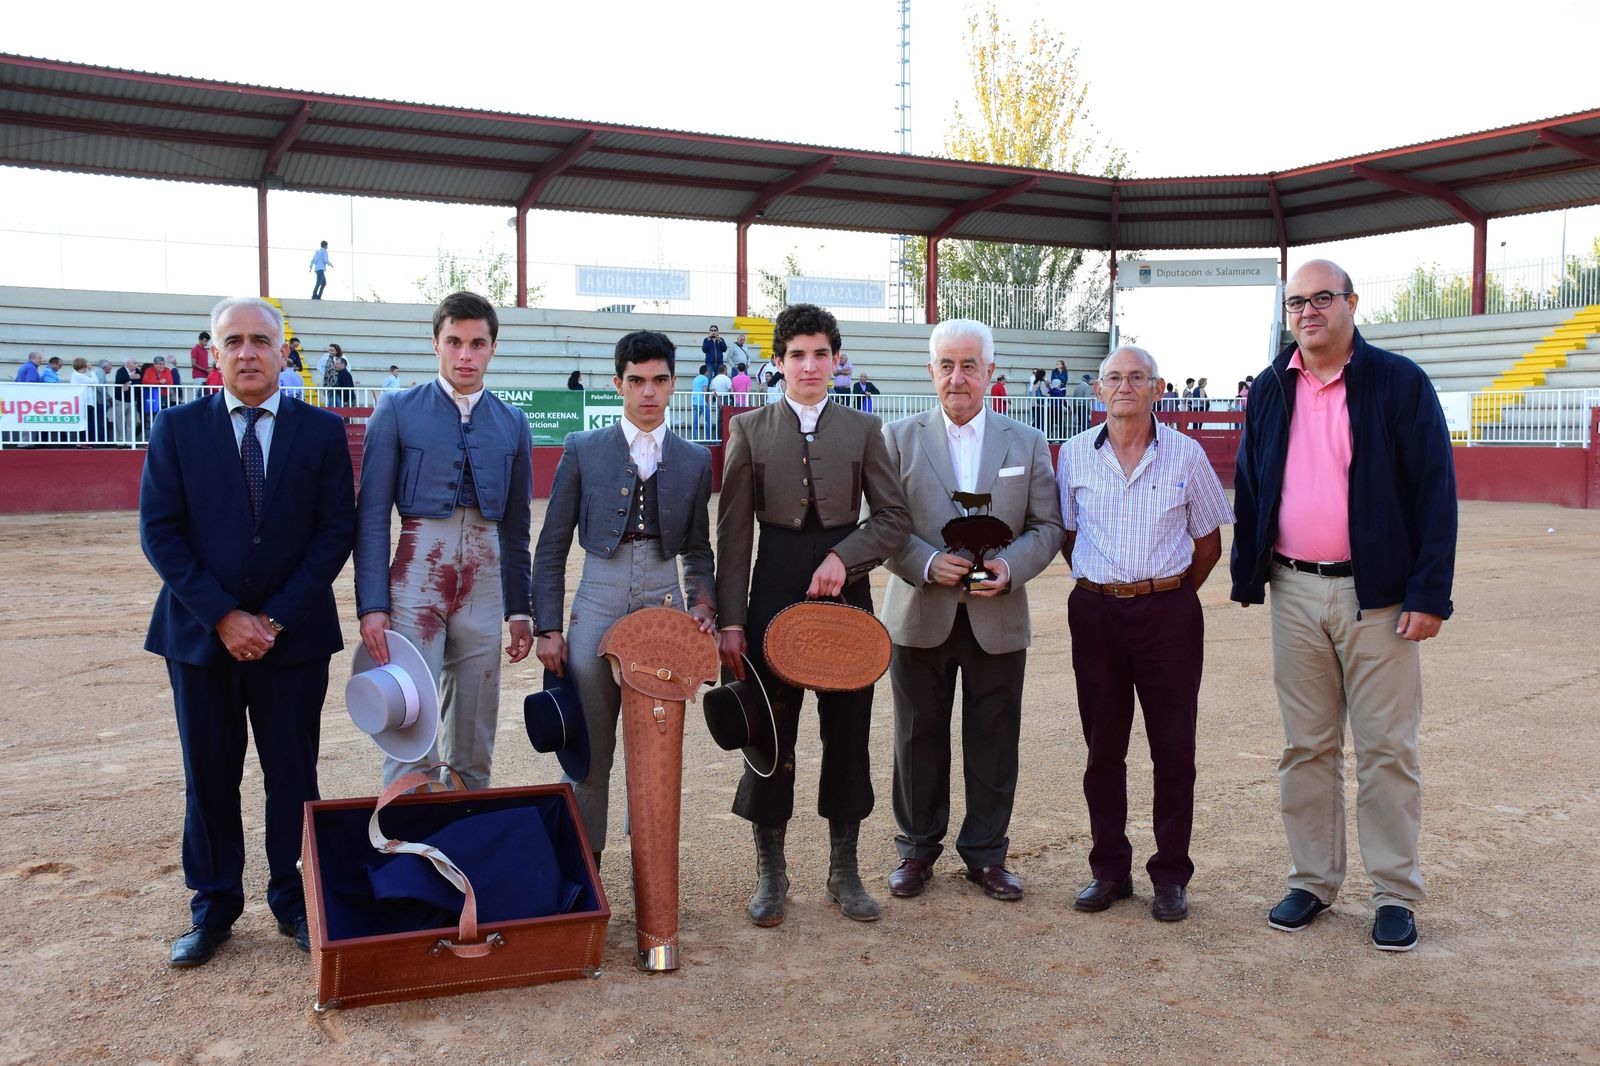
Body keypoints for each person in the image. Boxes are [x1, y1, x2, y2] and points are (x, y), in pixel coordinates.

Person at [1231, 259, 1457, 952]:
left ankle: (1393, 892)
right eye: (1297, 301)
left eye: (1322, 298)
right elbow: (1251, 481)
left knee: (1386, 749)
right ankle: (1312, 880)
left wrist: (1428, 593)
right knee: (1306, 746)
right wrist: (1249, 572)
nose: (1308, 311)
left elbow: (1435, 490)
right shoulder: (1270, 386)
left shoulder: (1398, 381)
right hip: (1294, 588)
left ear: (1352, 304)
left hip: (1378, 595)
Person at [139, 296, 356, 967]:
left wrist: (273, 619)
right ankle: (213, 908)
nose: (248, 352)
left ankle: (296, 902)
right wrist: (225, 616)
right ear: (214, 352)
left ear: (283, 351)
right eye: (233, 341)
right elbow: (160, 534)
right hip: (200, 639)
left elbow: (334, 534)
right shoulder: (177, 429)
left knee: (293, 775)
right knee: (208, 776)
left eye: (261, 340)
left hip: (294, 640)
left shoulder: (321, 432)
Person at [716, 302, 911, 928]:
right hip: (772, 588)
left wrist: (843, 558)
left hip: (844, 594)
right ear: (778, 362)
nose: (809, 365)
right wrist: (731, 620)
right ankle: (771, 872)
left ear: (836, 360)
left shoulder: (864, 428)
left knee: (848, 730)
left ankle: (843, 870)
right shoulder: (749, 428)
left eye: (820, 354)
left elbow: (893, 518)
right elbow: (734, 533)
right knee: (769, 731)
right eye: (797, 355)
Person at [880, 320, 1064, 903]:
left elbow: (1048, 526)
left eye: (969, 366)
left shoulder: (1027, 442)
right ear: (930, 371)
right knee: (916, 737)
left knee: (995, 737)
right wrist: (925, 562)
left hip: (998, 616)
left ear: (990, 372)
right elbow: (881, 524)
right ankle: (916, 849)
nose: (957, 378)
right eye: (946, 365)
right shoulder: (896, 438)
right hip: (919, 612)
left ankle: (987, 855)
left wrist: (1010, 567)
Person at [1056, 345, 1233, 923]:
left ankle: (1170, 874)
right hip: (1096, 612)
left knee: (1174, 748)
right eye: (1114, 377)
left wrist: (1169, 593)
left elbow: (1209, 543)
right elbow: (1068, 535)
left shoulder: (1186, 453)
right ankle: (1109, 869)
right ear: (1098, 390)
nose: (1125, 386)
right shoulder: (1075, 455)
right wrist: (1107, 587)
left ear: (1158, 388)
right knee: (1103, 747)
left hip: (1168, 613)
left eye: (1137, 377)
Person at [534, 330, 715, 860]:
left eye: (659, 380)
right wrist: (548, 626)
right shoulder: (583, 448)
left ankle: (650, 875)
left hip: (664, 601)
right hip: (598, 597)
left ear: (673, 384)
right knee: (588, 748)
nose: (648, 392)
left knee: (655, 749)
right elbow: (551, 545)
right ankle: (584, 870)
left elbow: (698, 547)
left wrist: (703, 603)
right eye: (636, 381)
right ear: (618, 384)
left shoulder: (694, 458)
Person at [354, 291, 534, 791]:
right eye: (454, 342)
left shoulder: (513, 422)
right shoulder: (397, 409)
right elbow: (372, 517)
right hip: (415, 578)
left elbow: (516, 526)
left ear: (493, 348)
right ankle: (410, 833)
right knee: (409, 721)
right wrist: (373, 605)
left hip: (485, 583)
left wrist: (520, 608)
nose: (465, 355)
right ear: (436, 344)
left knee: (476, 729)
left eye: (477, 344)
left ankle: (467, 825)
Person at [70, 358, 99, 445]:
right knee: (86, 423)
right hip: (85, 403)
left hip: (86, 402)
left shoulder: (78, 375)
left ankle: (84, 441)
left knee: (87, 423)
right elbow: (95, 382)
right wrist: (91, 371)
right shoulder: (78, 376)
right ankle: (82, 442)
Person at [691, 363, 711, 439]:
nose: (708, 372)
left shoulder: (695, 379)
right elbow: (704, 391)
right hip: (702, 402)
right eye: (708, 371)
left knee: (695, 422)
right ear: (705, 371)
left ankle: (695, 438)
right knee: (708, 420)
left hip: (695, 402)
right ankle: (708, 438)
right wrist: (707, 402)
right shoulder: (705, 378)